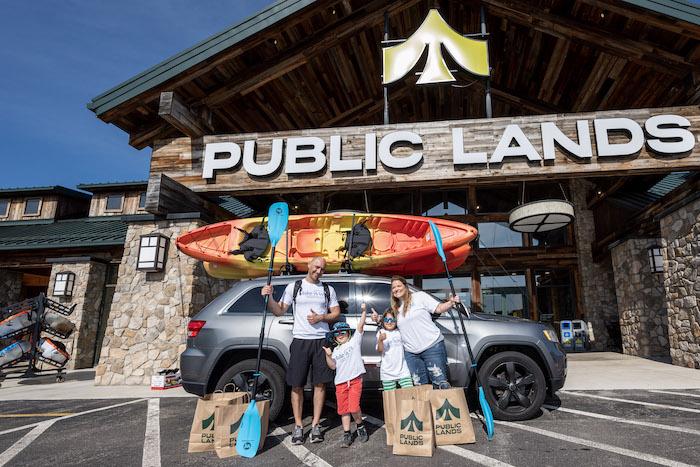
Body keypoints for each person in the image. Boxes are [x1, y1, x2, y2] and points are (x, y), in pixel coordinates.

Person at [261, 256, 340, 445]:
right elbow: (279, 311)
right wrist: (269, 297)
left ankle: (315, 425)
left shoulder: (328, 289)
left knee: (320, 384)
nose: (319, 271)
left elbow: (336, 312)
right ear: (309, 266)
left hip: (321, 341)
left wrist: (321, 317)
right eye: (316, 267)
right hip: (300, 341)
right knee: (296, 385)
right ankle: (298, 425)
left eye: (322, 269)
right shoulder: (294, 286)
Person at [371, 275, 459, 389]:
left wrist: (451, 302)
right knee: (419, 388)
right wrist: (378, 319)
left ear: (406, 286)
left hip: (432, 346)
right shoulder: (395, 309)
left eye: (399, 285)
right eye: (393, 288)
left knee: (440, 384)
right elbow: (391, 324)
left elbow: (438, 308)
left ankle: (441, 407)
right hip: (411, 353)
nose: (396, 289)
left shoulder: (420, 297)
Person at [322, 304, 368, 447]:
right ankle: (347, 433)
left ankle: (360, 426)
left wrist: (364, 312)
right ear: (334, 337)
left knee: (354, 407)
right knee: (343, 410)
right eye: (337, 333)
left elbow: (360, 326)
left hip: (355, 380)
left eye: (343, 332)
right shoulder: (335, 351)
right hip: (340, 383)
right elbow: (333, 366)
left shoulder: (354, 342)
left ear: (348, 334)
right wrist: (328, 355)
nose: (341, 334)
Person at [375, 308, 413, 391]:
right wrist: (380, 340)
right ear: (383, 320)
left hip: (403, 370)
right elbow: (379, 350)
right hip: (387, 372)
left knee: (409, 393)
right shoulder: (381, 332)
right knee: (390, 398)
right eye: (386, 319)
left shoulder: (400, 331)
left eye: (392, 319)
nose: (389, 322)